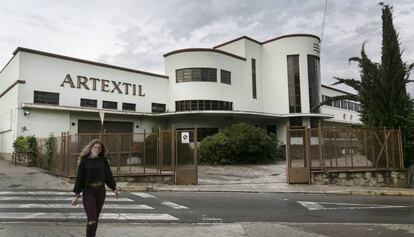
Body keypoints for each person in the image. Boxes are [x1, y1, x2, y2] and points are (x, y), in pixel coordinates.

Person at [71, 139, 119, 237]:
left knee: (95, 218)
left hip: (101, 191)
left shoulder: (103, 160)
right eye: (95, 147)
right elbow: (80, 178)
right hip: (89, 191)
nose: (97, 149)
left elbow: (108, 175)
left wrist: (114, 188)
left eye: (99, 148)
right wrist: (77, 195)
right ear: (91, 147)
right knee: (92, 218)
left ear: (101, 150)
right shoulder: (84, 161)